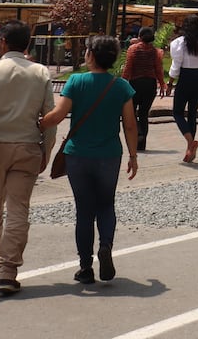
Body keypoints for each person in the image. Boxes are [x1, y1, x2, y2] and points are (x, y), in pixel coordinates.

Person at [40, 35, 139, 284]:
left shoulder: (76, 81)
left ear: (91, 55)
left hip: (78, 155)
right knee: (106, 205)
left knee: (84, 211)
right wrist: (134, 156)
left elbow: (58, 115)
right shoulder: (121, 86)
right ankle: (105, 245)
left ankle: (85, 267)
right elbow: (129, 125)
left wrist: (36, 123)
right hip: (109, 155)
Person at [0, 20, 56, 294]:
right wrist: (47, 150)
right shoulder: (41, 73)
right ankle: (8, 270)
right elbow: (49, 118)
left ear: (4, 42)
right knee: (19, 210)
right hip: (28, 147)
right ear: (27, 44)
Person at [167, 15, 198, 162]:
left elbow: (176, 66)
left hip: (185, 77)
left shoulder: (179, 43)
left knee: (177, 112)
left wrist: (170, 83)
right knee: (193, 114)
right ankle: (190, 149)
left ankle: (190, 142)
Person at [121, 27, 165, 151]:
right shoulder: (156, 52)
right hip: (150, 84)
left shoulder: (133, 50)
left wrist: (122, 82)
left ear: (140, 36)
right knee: (144, 114)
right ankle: (142, 142)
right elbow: (158, 70)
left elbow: (128, 68)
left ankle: (137, 134)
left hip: (135, 84)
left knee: (132, 111)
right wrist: (162, 84)